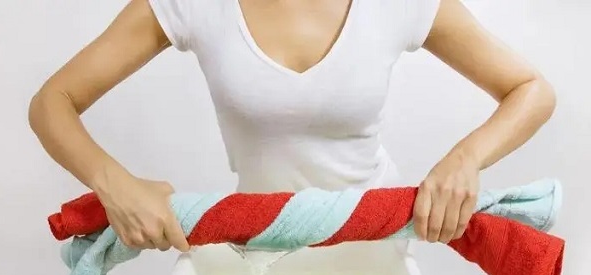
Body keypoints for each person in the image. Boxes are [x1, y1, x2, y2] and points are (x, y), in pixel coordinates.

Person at [28, 0, 556, 253]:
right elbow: (53, 101)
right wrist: (114, 183)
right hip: (260, 249)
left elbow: (532, 89)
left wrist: (465, 159)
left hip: (373, 250)